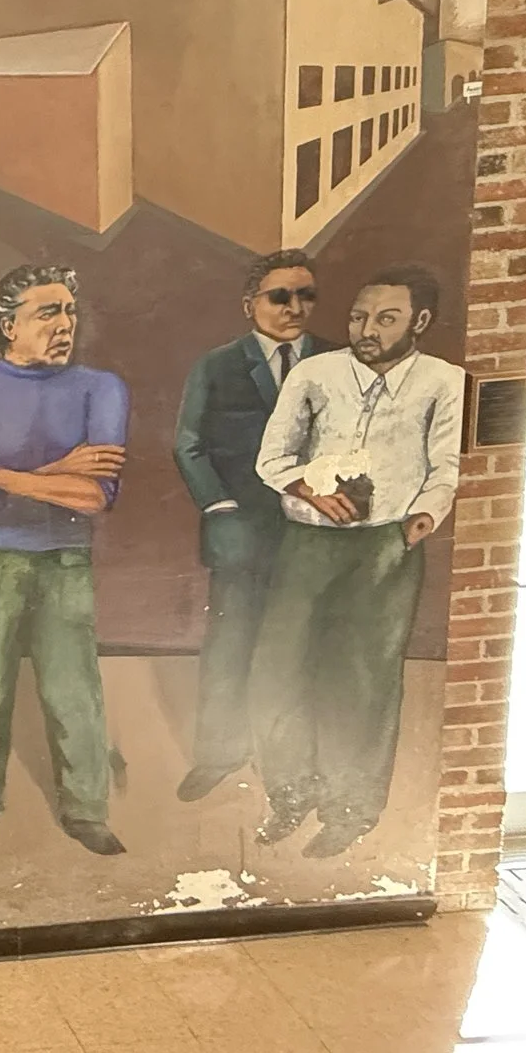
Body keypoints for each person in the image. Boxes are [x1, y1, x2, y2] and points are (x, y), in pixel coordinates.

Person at [250, 264, 463, 859]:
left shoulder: (444, 382)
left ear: (420, 321)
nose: (368, 330)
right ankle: (291, 794)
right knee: (280, 669)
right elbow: (272, 459)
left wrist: (421, 519)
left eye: (386, 318)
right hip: (308, 542)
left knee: (364, 678)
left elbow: (447, 467)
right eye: (358, 317)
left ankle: (351, 808)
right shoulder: (314, 375)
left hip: (386, 547)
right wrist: (310, 489)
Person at [0, 262, 130, 859]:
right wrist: (57, 472)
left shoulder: (101, 389)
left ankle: (87, 813)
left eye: (69, 311)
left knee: (74, 691)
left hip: (65, 562)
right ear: (9, 325)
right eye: (48, 313)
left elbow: (94, 496)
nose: (65, 324)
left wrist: (0, 475)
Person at [170, 250, 337, 802]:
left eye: (306, 296)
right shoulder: (217, 366)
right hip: (241, 529)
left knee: (303, 645)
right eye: (279, 296)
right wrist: (220, 507)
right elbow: (189, 444)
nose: (294, 308)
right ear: (250, 305)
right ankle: (220, 753)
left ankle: (291, 763)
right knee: (232, 642)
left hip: (314, 530)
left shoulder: (338, 362)